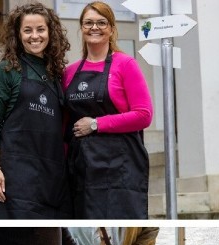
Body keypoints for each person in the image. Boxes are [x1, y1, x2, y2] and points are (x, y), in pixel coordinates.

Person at [0, 2, 72, 219]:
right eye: (27, 30)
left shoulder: (57, 74)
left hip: (52, 178)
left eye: (40, 29)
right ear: (18, 34)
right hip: (15, 177)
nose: (35, 36)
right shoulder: (7, 70)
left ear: (50, 32)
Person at [64, 1, 153, 219]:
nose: (95, 27)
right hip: (82, 167)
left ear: (111, 29)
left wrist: (95, 124)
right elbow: (65, 123)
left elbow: (144, 115)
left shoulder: (125, 64)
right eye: (88, 23)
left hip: (120, 166)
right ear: (82, 28)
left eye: (101, 22)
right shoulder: (69, 72)